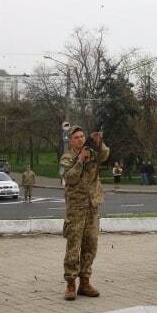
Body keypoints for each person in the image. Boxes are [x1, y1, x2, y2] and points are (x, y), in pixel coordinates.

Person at [59, 126, 109, 301]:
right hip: (76, 208)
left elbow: (105, 155)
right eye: (76, 137)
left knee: (91, 245)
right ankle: (71, 283)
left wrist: (99, 142)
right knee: (74, 246)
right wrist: (80, 160)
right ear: (70, 141)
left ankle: (85, 282)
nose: (80, 139)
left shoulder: (93, 154)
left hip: (92, 206)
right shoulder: (67, 158)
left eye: (82, 136)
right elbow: (70, 178)